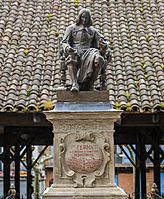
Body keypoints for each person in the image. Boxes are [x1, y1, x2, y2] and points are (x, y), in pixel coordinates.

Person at [61, 8, 111, 92]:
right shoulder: (71, 28)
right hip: (75, 51)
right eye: (83, 17)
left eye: (86, 18)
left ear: (89, 18)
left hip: (89, 52)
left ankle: (90, 84)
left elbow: (103, 40)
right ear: (80, 17)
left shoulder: (93, 31)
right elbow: (64, 42)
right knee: (72, 57)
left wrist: (105, 45)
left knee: (99, 59)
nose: (84, 20)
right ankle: (75, 84)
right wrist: (67, 48)